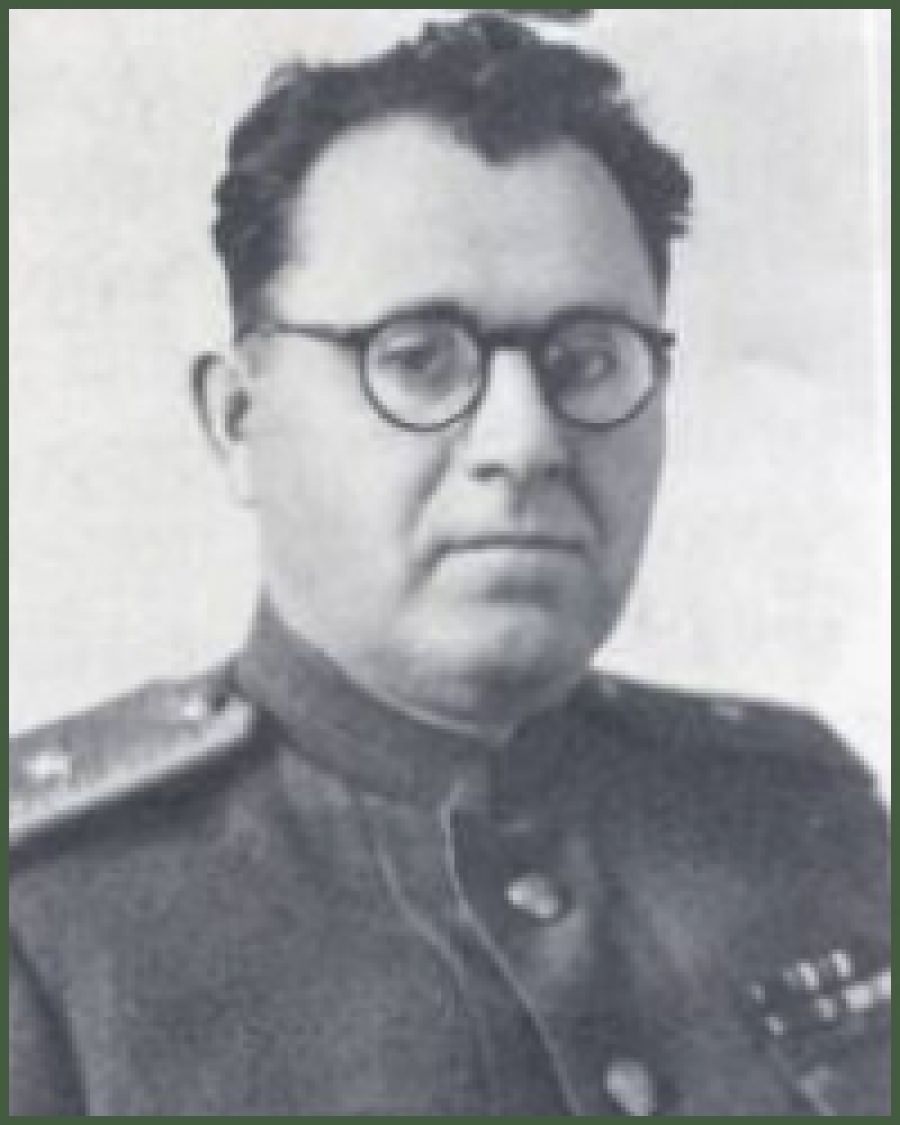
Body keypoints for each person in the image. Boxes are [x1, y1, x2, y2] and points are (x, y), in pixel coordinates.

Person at [8, 14, 889, 1116]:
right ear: (238, 421)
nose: (526, 442)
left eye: (587, 361)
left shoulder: (805, 815)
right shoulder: (44, 918)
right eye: (418, 360)